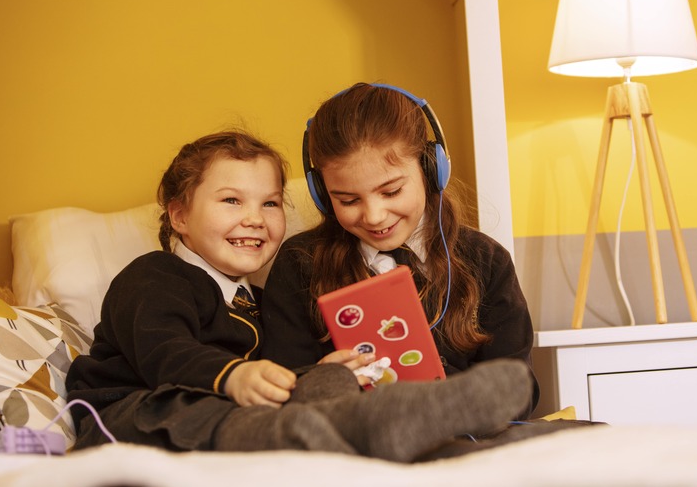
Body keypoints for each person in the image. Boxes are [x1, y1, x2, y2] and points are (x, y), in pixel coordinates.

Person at [65, 129, 535, 462]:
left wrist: (317, 375)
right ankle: (323, 431)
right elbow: (163, 353)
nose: (254, 218)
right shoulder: (153, 276)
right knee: (213, 414)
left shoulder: (250, 297)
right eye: (232, 201)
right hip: (134, 410)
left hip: (232, 407)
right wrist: (232, 376)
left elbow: (280, 376)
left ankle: (400, 420)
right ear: (180, 216)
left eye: (269, 203)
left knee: (327, 382)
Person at [260, 83, 540, 417]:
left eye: (391, 192)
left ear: (430, 169)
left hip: (466, 442)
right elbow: (281, 393)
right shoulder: (300, 263)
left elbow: (519, 391)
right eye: (347, 200)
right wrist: (320, 381)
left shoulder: (486, 260)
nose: (374, 216)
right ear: (322, 194)